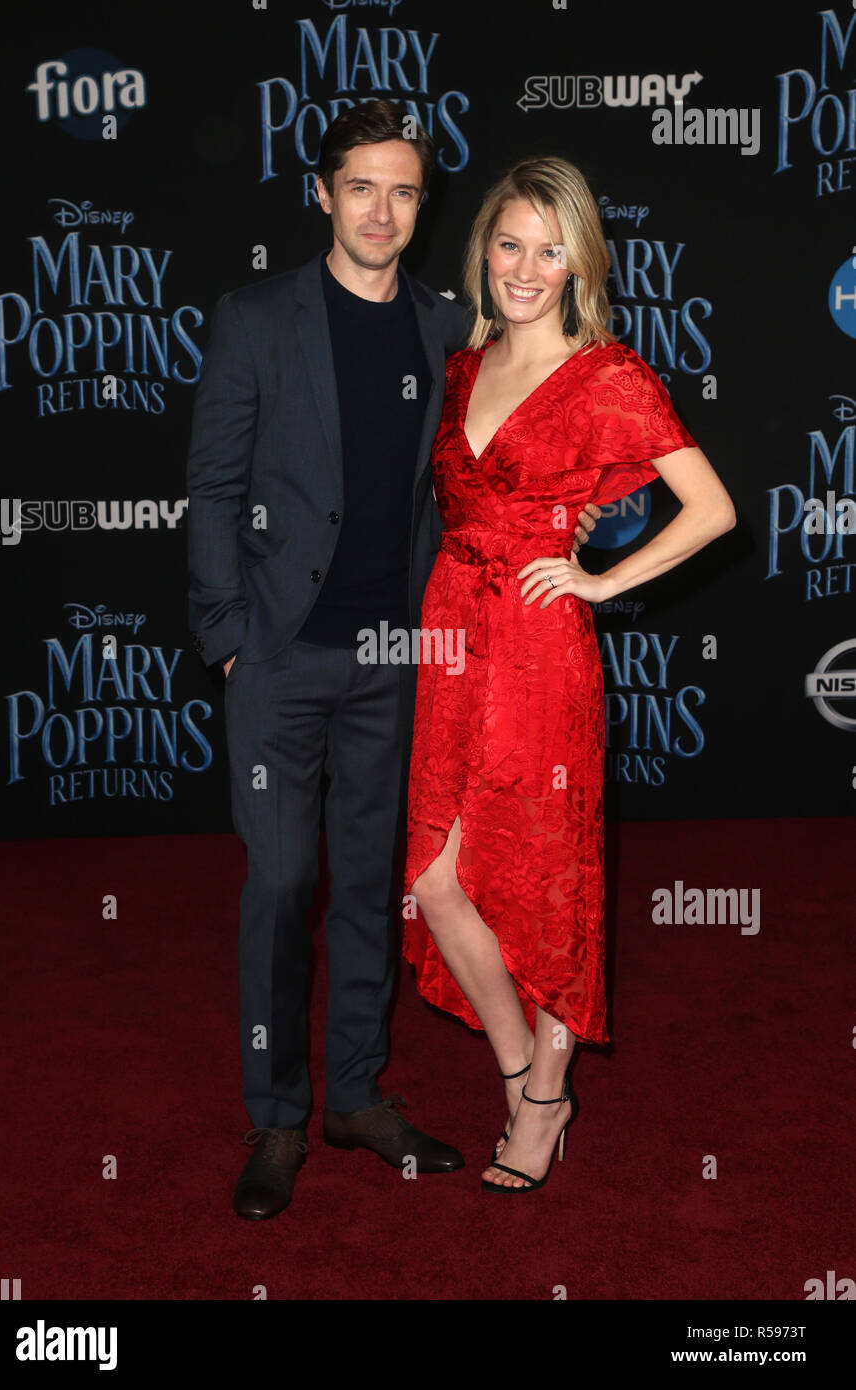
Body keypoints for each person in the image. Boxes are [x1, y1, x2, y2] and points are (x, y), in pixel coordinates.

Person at [186, 104, 603, 1219]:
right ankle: (278, 1116)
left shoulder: (446, 332)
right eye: (360, 186)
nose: (381, 209)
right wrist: (227, 640)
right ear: (322, 192)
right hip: (275, 658)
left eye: (404, 191)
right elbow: (213, 492)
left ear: (424, 209)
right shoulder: (255, 317)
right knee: (280, 889)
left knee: (377, 890)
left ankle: (358, 1095)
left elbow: (509, 462)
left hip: (401, 661)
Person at [403, 155, 736, 1194]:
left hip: (540, 649)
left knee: (547, 881)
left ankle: (546, 1090)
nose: (525, 268)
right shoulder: (461, 365)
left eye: (551, 250)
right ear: (482, 251)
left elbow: (711, 507)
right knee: (432, 879)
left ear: (578, 263)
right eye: (509, 244)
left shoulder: (606, 377)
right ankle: (522, 1071)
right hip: (450, 632)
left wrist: (598, 578)